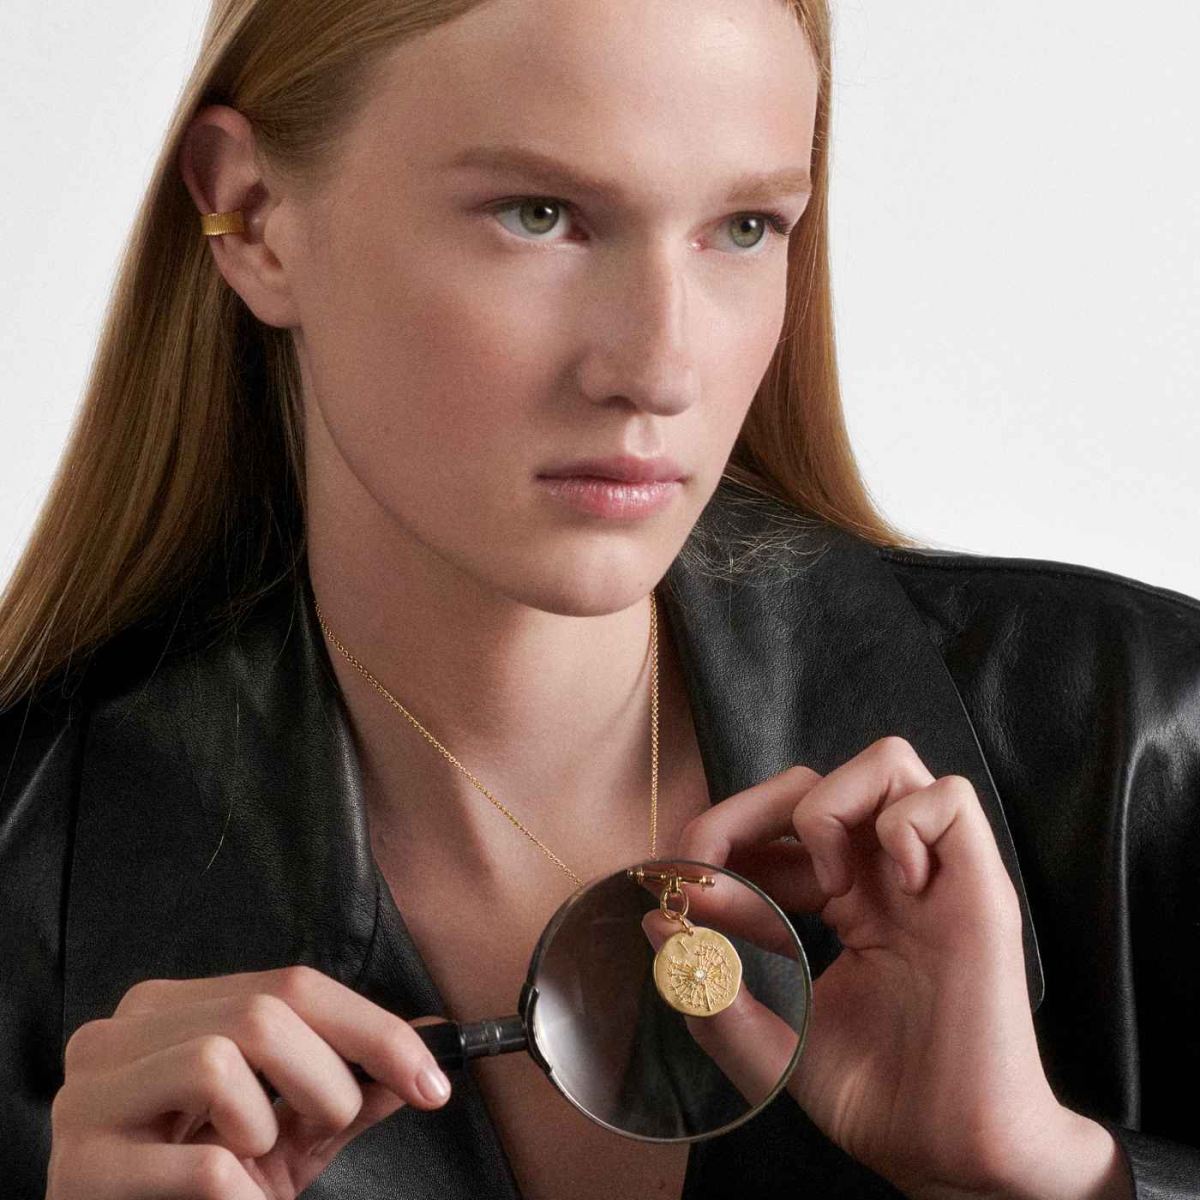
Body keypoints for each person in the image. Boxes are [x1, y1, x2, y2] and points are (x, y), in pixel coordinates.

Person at [1, 0, 1197, 1197]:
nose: (660, 367)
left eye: (742, 227)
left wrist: (1057, 1176)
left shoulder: (1141, 741)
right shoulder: (30, 873)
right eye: (541, 216)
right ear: (255, 218)